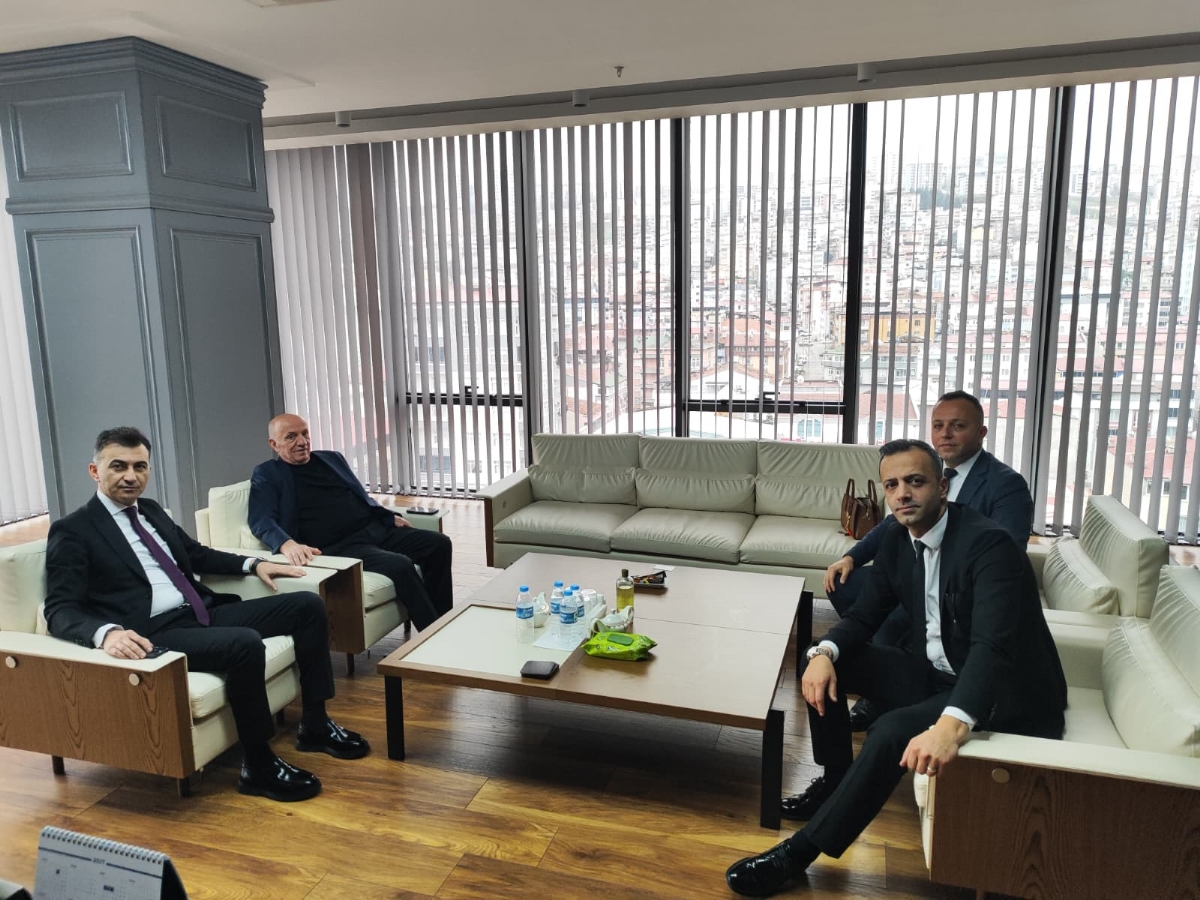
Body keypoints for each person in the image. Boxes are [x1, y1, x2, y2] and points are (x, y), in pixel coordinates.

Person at [726, 439, 1066, 897]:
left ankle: (797, 855)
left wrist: (952, 723)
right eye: (892, 485)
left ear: (942, 487)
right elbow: (865, 616)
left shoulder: (990, 545)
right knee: (827, 662)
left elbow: (992, 649)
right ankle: (835, 782)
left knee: (888, 732)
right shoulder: (895, 539)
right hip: (936, 673)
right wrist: (824, 652)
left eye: (915, 481)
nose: (902, 493)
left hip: (1002, 692)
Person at [44, 427, 368, 803]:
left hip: (200, 611)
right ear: (95, 471)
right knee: (244, 643)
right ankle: (258, 765)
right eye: (119, 466)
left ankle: (315, 723)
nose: (131, 476)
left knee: (307, 606)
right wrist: (107, 634)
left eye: (140, 466)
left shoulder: (150, 511)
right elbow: (59, 609)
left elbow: (196, 554)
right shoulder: (73, 531)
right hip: (154, 632)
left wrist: (254, 564)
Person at [825, 390, 1033, 730]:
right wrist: (852, 556)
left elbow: (1008, 551)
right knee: (844, 585)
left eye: (957, 426)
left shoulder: (1006, 484)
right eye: (938, 426)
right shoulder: (922, 473)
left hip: (958, 590)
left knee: (891, 612)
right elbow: (892, 524)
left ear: (981, 433)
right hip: (914, 572)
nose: (945, 434)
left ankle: (887, 693)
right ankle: (894, 669)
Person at [249, 414, 453, 631]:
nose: (302, 442)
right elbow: (260, 519)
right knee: (400, 564)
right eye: (291, 437)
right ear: (274, 444)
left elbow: (361, 497)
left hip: (375, 529)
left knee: (438, 544)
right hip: (341, 546)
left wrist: (386, 516)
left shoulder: (332, 459)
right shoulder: (268, 474)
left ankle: (445, 623)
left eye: (305, 434)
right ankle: (433, 635)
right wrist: (286, 543)